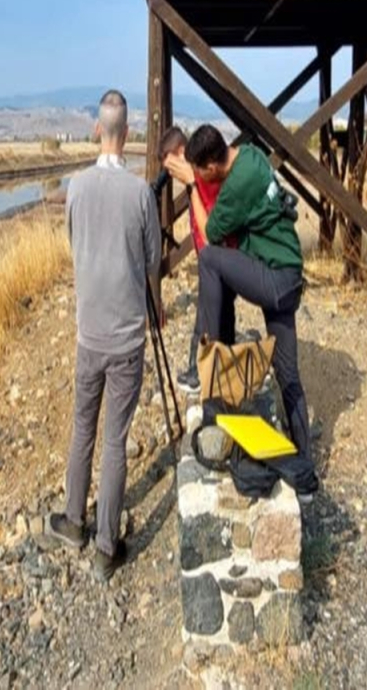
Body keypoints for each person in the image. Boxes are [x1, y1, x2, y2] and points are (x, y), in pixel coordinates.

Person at [49, 90, 161, 582]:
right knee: (114, 440)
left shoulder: (75, 185)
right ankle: (105, 547)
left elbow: (75, 245)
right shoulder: (139, 193)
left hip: (88, 335)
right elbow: (153, 258)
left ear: (98, 130)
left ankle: (75, 521)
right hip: (127, 338)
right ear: (128, 133)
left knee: (83, 428)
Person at [184, 126, 312, 463]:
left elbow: (210, 235)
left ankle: (215, 365)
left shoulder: (237, 184)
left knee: (211, 260)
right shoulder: (250, 155)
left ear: (212, 166)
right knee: (287, 372)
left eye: (199, 171)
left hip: (275, 279)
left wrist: (190, 187)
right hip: (287, 273)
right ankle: (303, 461)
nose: (199, 176)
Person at [158, 126, 235, 394]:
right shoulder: (198, 176)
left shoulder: (203, 176)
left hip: (219, 259)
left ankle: (203, 374)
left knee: (208, 319)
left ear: (181, 154)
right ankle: (217, 369)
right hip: (213, 259)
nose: (171, 175)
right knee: (216, 316)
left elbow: (214, 226)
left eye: (171, 166)